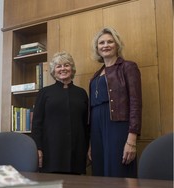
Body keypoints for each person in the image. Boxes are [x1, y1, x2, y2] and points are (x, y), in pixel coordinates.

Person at [88, 27, 142, 178]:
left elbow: (136, 103)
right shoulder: (96, 74)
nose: (106, 45)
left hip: (117, 126)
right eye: (101, 43)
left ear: (117, 45)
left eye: (110, 41)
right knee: (99, 171)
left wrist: (132, 140)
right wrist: (91, 141)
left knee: (118, 171)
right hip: (96, 128)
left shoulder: (128, 67)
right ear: (97, 48)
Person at [31, 51, 89, 174]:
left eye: (66, 65)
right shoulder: (44, 93)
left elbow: (86, 124)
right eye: (59, 66)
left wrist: (88, 147)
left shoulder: (81, 93)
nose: (63, 69)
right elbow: (37, 123)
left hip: (77, 151)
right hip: (51, 151)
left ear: (72, 68)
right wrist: (38, 148)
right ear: (54, 70)